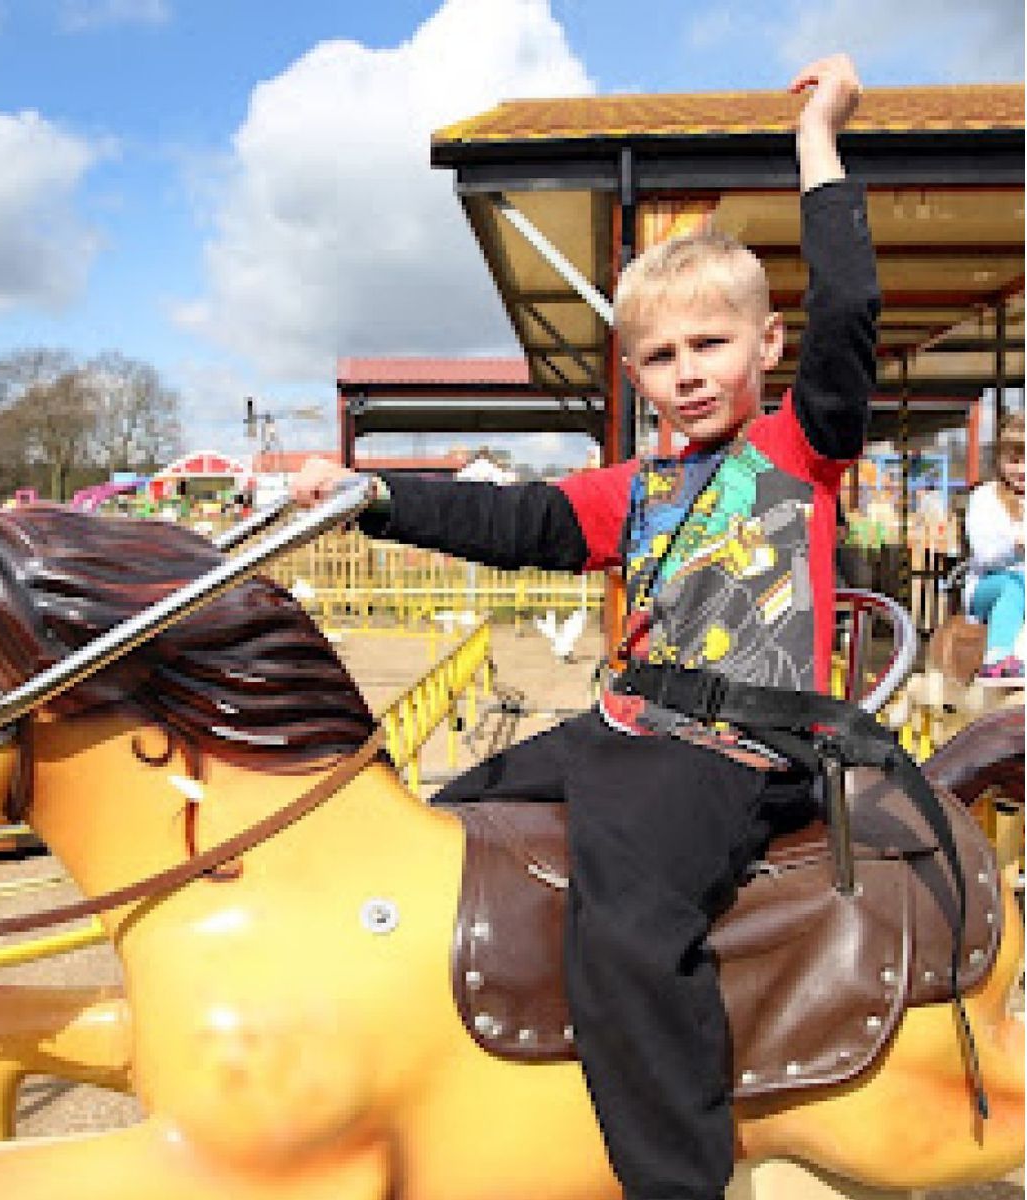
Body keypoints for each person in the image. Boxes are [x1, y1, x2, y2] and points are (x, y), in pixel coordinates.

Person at [292, 54, 876, 1200]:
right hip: (624, 729)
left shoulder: (797, 452)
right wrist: (371, 493)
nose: (686, 372)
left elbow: (850, 309)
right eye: (659, 357)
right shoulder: (638, 488)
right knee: (436, 825)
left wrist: (820, 137)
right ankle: (487, 1081)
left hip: (739, 750)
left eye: (710, 344)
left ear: (765, 348)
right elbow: (513, 518)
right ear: (638, 379)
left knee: (630, 913)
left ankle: (678, 1180)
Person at [964, 412, 1025, 678]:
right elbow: (984, 554)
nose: (1022, 470)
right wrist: (1016, 548)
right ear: (1000, 461)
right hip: (990, 585)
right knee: (1011, 585)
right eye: (1014, 461)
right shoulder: (985, 498)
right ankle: (997, 658)